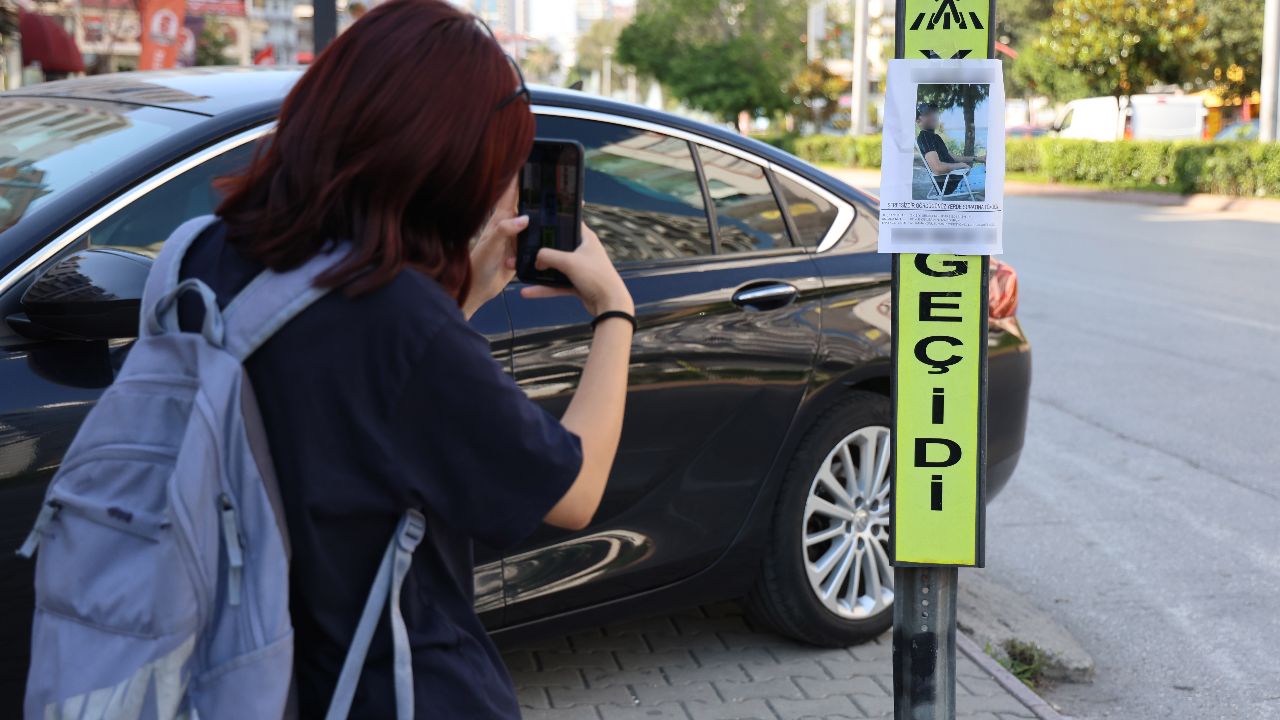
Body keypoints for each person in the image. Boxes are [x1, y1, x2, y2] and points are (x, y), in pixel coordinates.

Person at [177, 0, 634, 716]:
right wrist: (614, 310)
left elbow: (345, 410)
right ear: (444, 160)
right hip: (391, 687)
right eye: (503, 163)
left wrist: (460, 305)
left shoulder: (207, 251)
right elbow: (572, 494)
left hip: (239, 672)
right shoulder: (399, 320)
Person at [916, 102, 986, 197]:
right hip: (954, 186)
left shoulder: (935, 137)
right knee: (994, 178)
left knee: (988, 169)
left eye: (933, 112)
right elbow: (937, 168)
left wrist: (978, 159)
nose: (933, 116)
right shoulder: (925, 137)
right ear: (918, 120)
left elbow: (954, 157)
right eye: (927, 114)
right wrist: (960, 165)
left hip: (960, 177)